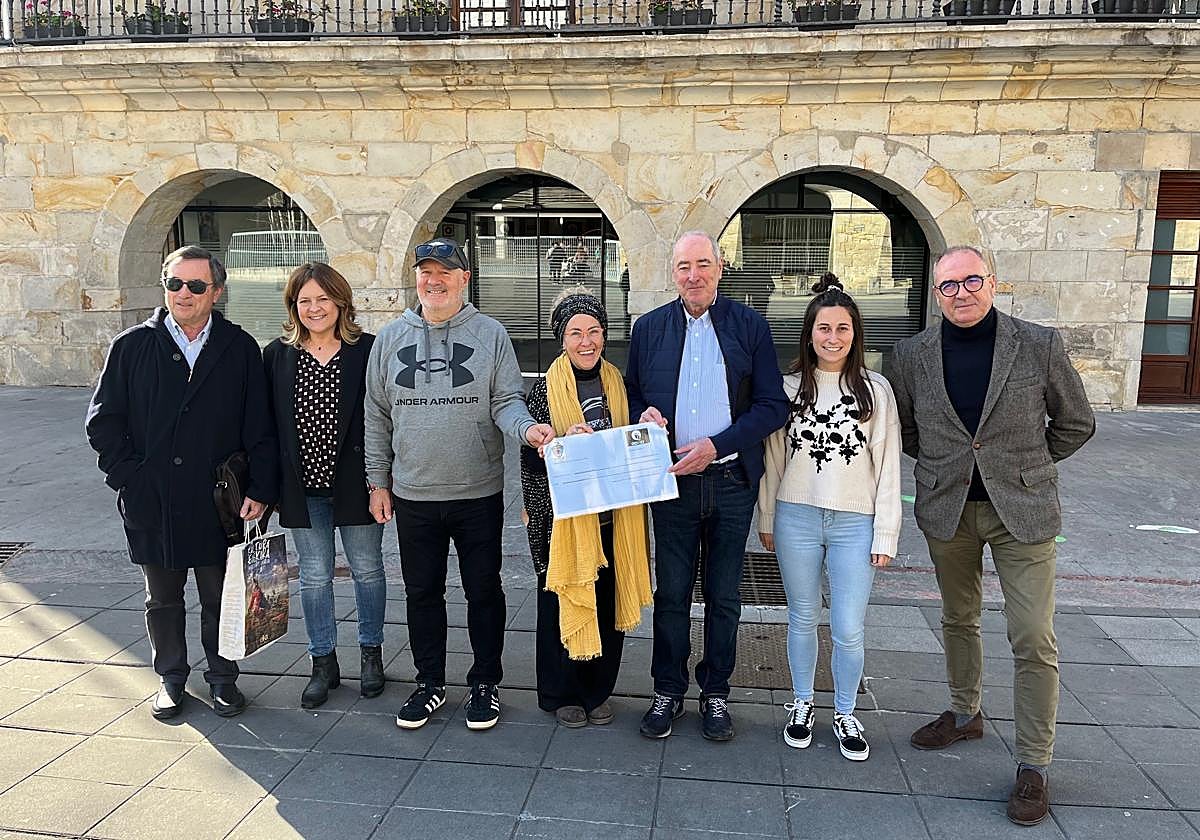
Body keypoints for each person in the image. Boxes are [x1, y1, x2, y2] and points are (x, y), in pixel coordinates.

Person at [887, 246, 1095, 826]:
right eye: (948, 285)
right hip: (948, 508)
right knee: (958, 617)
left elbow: (1077, 421)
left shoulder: (1038, 344)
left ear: (993, 282)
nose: (961, 293)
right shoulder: (909, 354)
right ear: (935, 294)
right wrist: (945, 466)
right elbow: (907, 428)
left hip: (1020, 512)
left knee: (1032, 634)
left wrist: (1027, 468)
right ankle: (964, 712)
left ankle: (1034, 764)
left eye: (971, 280)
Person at [364, 237, 555, 732]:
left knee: (483, 591)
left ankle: (485, 682)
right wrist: (376, 481)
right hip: (413, 493)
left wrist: (528, 429)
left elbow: (506, 401)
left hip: (478, 491)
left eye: (444, 271)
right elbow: (376, 415)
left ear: (465, 278)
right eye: (425, 271)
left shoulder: (491, 334)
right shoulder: (389, 340)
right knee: (421, 591)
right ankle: (429, 683)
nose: (434, 279)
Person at [85, 245, 277, 721]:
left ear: (217, 291)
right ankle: (171, 678)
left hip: (219, 503)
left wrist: (260, 490)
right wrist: (128, 477)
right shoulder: (132, 346)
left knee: (220, 598)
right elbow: (103, 422)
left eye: (196, 285)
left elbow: (261, 428)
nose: (183, 294)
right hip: (153, 500)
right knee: (162, 598)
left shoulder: (239, 347)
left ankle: (222, 679)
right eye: (174, 284)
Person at [625, 230, 789, 741]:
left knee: (724, 596)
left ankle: (715, 691)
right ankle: (667, 690)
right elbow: (628, 393)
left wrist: (716, 446)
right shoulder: (649, 329)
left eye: (702, 264)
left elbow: (772, 406)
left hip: (731, 481)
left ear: (719, 268)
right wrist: (641, 414)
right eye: (682, 267)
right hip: (672, 484)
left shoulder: (749, 325)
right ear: (671, 273)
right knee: (671, 593)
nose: (692, 276)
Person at [757, 273, 901, 761]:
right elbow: (773, 458)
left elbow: (888, 467)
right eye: (824, 328)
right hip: (796, 515)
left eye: (842, 328)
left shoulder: (875, 392)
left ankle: (844, 711)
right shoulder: (787, 388)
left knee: (848, 625)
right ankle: (801, 703)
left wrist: (886, 531)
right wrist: (767, 518)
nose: (833, 337)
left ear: (856, 333)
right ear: (809, 332)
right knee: (801, 617)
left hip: (854, 523)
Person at [520, 289, 653, 728]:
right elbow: (530, 458)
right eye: (575, 332)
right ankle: (561, 693)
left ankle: (597, 691)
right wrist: (559, 445)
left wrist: (649, 426)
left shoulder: (620, 383)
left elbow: (635, 440)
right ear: (562, 338)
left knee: (607, 599)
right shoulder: (542, 390)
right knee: (561, 600)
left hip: (615, 518)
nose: (586, 341)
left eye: (594, 331)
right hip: (565, 522)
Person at [264, 262, 386, 710]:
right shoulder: (277, 354)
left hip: (358, 485)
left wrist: (381, 482)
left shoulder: (368, 350)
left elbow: (381, 421)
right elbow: (267, 428)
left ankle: (371, 654)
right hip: (302, 489)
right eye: (305, 301)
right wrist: (266, 489)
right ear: (294, 307)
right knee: (313, 577)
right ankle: (322, 661)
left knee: (368, 570)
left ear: (340, 301)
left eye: (322, 299)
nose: (314, 308)